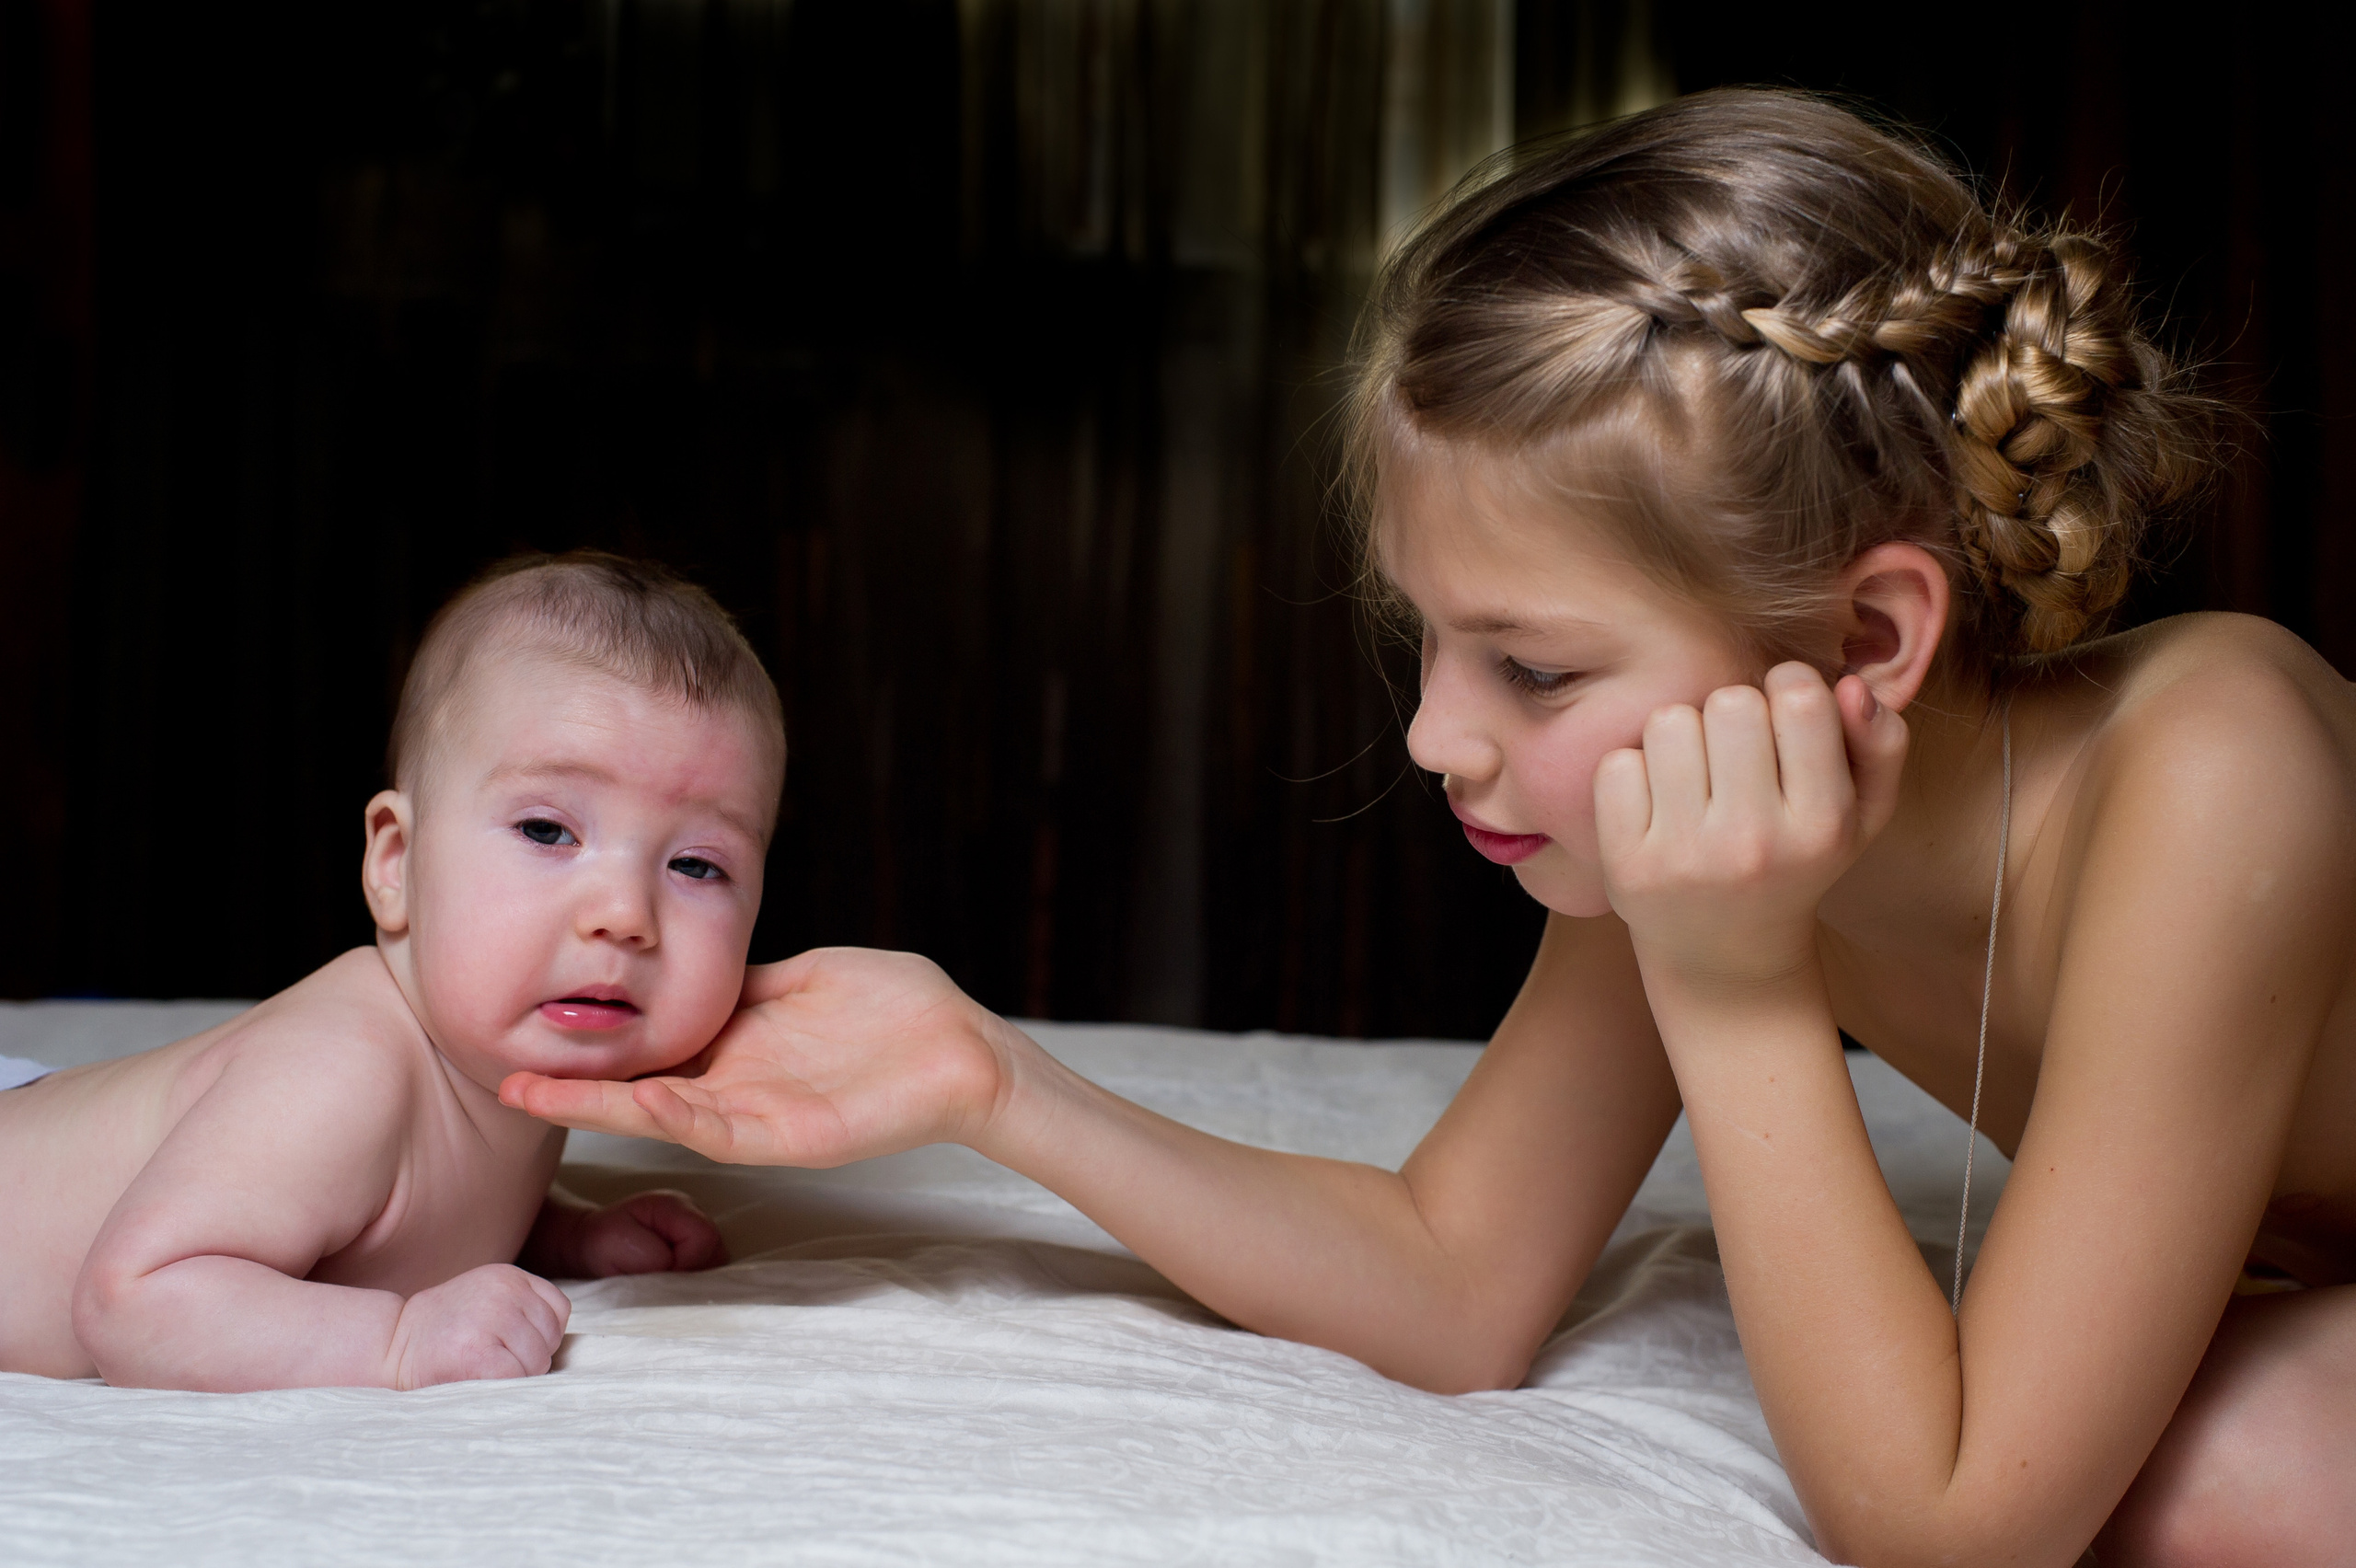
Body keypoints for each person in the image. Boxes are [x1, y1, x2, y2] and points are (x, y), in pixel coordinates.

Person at [505, 92, 2355, 1567]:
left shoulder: (2209, 774)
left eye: (1532, 669)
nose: (1430, 737)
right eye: (1427, 641)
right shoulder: (1704, 818)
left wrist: (1731, 990)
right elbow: (1456, 1278)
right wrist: (996, 1085)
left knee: (2199, 1484)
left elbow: (1950, 1531)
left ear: (1865, 638)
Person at [0, 552, 779, 1392]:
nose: (625, 915)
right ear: (396, 864)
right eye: (549, 832)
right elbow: (132, 1303)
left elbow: (394, 1214)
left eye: (698, 866)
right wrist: (398, 1340)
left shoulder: (504, 1065)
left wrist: (565, 1236)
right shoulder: (342, 1073)